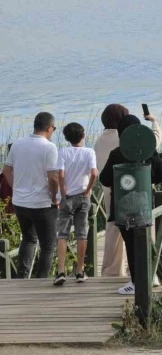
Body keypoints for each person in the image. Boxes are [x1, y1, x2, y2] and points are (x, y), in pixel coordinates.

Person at [99, 115, 162, 295]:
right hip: (144, 203)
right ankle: (151, 276)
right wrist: (148, 181)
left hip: (122, 206)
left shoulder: (117, 153)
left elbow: (104, 179)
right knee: (146, 239)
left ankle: (136, 281)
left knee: (130, 244)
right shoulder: (148, 151)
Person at [1, 112, 59, 279]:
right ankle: (41, 280)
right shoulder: (49, 147)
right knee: (48, 245)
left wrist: (16, 187)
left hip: (20, 202)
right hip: (41, 204)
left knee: (28, 239)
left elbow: (6, 170)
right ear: (49, 128)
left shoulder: (18, 144)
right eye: (53, 129)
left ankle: (22, 277)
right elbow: (53, 177)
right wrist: (54, 197)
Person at [53, 122, 97, 285]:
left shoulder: (63, 152)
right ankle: (80, 270)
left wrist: (63, 193)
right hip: (83, 196)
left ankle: (61, 271)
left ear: (66, 138)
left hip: (68, 197)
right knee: (81, 234)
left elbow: (61, 174)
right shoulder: (89, 152)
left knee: (62, 234)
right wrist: (88, 190)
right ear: (83, 136)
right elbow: (94, 173)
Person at [95, 104, 129, 277]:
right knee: (131, 226)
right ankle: (135, 268)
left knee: (112, 227)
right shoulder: (123, 137)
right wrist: (155, 126)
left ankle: (111, 269)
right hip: (126, 187)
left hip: (107, 187)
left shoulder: (99, 140)